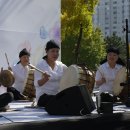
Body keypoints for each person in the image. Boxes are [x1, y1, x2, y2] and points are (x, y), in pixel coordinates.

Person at [34, 40, 67, 107]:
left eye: (57, 51)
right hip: (43, 97)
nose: (55, 54)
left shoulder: (61, 65)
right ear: (46, 51)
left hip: (56, 96)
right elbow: (36, 84)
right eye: (52, 51)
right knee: (59, 101)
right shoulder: (40, 65)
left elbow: (70, 73)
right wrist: (45, 79)